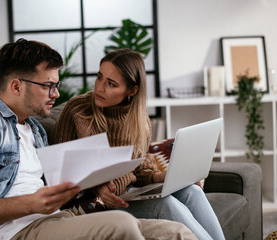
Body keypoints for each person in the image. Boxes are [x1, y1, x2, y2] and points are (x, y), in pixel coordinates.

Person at [0, 39, 197, 240]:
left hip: (57, 220)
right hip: (11, 233)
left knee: (177, 233)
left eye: (56, 84)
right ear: (17, 86)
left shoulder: (35, 130)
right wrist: (33, 203)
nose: (56, 93)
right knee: (122, 225)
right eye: (48, 86)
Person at [51, 48, 225, 240]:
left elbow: (137, 170)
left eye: (111, 84)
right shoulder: (77, 110)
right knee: (166, 204)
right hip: (90, 202)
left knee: (192, 191)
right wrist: (97, 186)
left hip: (127, 195)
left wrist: (159, 177)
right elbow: (60, 170)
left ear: (132, 91)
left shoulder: (139, 120)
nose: (100, 88)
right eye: (99, 77)